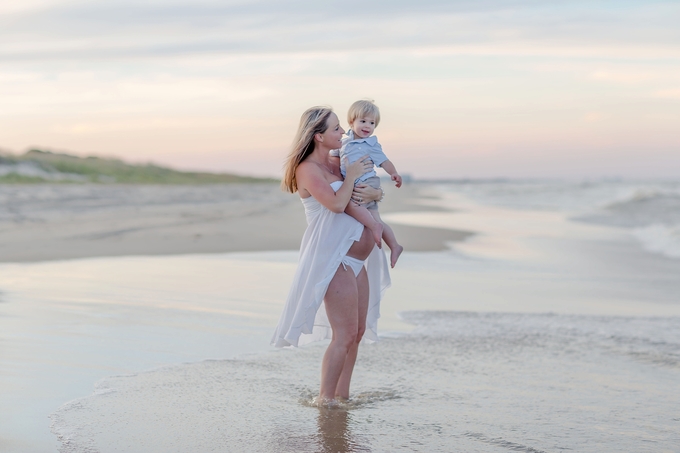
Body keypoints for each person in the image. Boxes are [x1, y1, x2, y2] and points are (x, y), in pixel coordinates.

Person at [271, 106, 391, 404]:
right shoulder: (307, 169)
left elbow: (364, 193)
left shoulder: (339, 164)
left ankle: (343, 397)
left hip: (356, 260)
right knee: (345, 334)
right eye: (336, 128)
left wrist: (376, 194)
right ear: (319, 136)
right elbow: (337, 204)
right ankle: (325, 400)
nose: (343, 132)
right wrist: (350, 177)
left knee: (358, 332)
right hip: (333, 258)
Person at [334, 99, 403, 268]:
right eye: (363, 121)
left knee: (353, 204)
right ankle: (394, 245)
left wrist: (393, 173)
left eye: (372, 123)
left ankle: (373, 227)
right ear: (351, 122)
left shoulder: (371, 144)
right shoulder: (344, 142)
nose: (368, 126)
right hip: (357, 182)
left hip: (367, 182)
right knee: (377, 217)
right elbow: (335, 153)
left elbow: (384, 161)